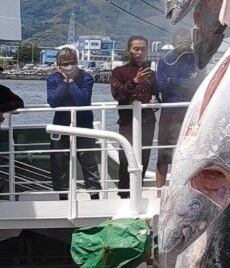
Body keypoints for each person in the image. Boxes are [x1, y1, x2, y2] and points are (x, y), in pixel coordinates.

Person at [46, 47, 101, 200]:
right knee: (59, 163)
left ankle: (94, 196)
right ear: (58, 65)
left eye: (72, 63)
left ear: (77, 63)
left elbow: (82, 101)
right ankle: (63, 197)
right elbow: (53, 102)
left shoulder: (87, 78)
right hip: (61, 125)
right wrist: (65, 82)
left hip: (84, 125)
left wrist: (71, 83)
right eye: (65, 64)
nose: (69, 66)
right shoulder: (53, 79)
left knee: (89, 162)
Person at [110, 35, 160, 198]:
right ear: (128, 50)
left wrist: (155, 102)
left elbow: (156, 96)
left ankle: (137, 192)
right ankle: (124, 195)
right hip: (127, 122)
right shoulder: (119, 72)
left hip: (147, 122)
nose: (139, 52)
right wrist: (135, 81)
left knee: (144, 158)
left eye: (143, 49)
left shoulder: (151, 74)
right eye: (136, 49)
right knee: (126, 159)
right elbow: (118, 95)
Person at [155, 28, 202, 188]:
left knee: (189, 153)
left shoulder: (198, 61)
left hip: (192, 114)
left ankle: (184, 188)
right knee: (163, 154)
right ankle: (160, 191)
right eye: (181, 42)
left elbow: (199, 84)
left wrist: (173, 81)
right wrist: (185, 80)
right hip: (169, 114)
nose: (185, 46)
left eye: (187, 42)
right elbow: (162, 85)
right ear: (173, 43)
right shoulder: (165, 61)